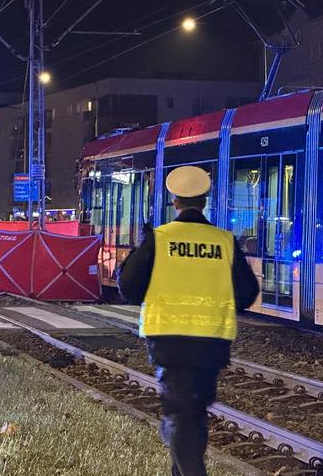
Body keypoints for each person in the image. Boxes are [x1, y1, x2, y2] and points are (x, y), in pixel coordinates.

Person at [118, 166, 259, 476]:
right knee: (193, 414)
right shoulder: (224, 241)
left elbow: (128, 288)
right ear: (205, 201)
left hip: (169, 340)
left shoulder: (159, 238)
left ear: (175, 201)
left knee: (182, 416)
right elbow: (248, 293)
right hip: (212, 343)